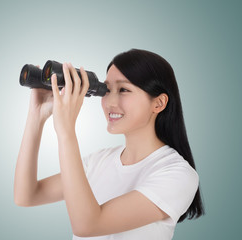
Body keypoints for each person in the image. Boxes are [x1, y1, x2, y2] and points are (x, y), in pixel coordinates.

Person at [14, 49, 204, 239]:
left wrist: (66, 132)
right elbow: (27, 195)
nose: (109, 102)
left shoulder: (178, 174)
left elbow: (87, 225)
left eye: (123, 90)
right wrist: (36, 117)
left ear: (159, 103)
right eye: (106, 90)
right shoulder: (99, 160)